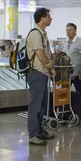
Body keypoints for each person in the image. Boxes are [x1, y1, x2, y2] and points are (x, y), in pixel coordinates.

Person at [26, 8, 56, 146]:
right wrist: (50, 66)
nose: (51, 19)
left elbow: (47, 55)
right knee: (35, 105)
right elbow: (41, 55)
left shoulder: (43, 34)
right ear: (42, 18)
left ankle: (39, 130)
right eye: (49, 16)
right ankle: (33, 134)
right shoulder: (35, 34)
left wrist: (50, 68)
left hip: (43, 73)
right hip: (37, 72)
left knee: (42, 104)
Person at [64, 23, 81, 110]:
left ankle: (80, 109)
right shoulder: (66, 42)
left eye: (70, 30)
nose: (68, 32)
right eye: (67, 30)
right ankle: (67, 109)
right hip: (66, 72)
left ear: (75, 31)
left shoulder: (80, 42)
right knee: (65, 91)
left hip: (77, 72)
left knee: (79, 91)